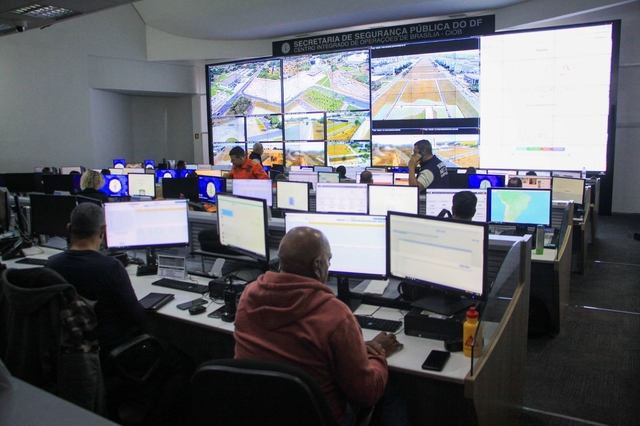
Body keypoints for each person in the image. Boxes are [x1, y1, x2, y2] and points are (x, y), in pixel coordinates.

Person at [234, 227, 403, 425]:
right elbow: (366, 394)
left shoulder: (248, 295)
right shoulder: (335, 314)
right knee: (391, 388)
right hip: (322, 419)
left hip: (258, 414)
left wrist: (354, 350)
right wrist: (378, 352)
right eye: (328, 260)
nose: (329, 266)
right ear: (317, 265)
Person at [45, 203, 193, 425]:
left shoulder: (51, 266)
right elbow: (137, 318)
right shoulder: (110, 267)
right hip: (113, 352)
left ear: (68, 229)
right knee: (182, 363)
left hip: (73, 355)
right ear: (103, 232)